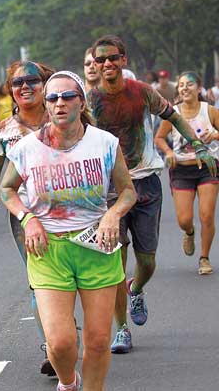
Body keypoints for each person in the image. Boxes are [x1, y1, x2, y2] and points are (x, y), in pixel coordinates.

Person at [0, 70, 136, 391]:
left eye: (67, 96)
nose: (59, 103)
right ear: (46, 105)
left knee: (99, 341)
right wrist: (27, 219)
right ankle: (68, 382)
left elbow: (127, 191)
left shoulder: (104, 143)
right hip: (50, 251)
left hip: (96, 247)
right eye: (52, 98)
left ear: (81, 101)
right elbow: (7, 189)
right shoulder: (27, 148)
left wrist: (113, 214)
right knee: (60, 344)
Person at [89, 35, 216, 354]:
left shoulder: (142, 92)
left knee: (147, 262)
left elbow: (173, 117)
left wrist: (199, 145)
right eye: (100, 59)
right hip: (109, 192)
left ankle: (137, 289)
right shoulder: (89, 101)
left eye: (113, 58)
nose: (107, 64)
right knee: (114, 263)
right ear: (95, 64)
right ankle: (121, 329)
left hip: (145, 184)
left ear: (123, 60)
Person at [0, 60, 60, 376]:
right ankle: (54, 347)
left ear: (45, 85)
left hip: (72, 209)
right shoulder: (4, 129)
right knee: (40, 282)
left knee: (72, 278)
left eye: (31, 81)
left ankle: (67, 331)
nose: (24, 87)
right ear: (10, 91)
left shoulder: (63, 115)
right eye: (17, 83)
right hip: (24, 214)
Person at [154, 71, 219, 275]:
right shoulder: (173, 113)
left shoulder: (210, 111)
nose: (184, 88)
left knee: (207, 215)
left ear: (199, 88)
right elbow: (160, 138)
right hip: (181, 169)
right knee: (184, 219)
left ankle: (204, 257)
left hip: (208, 168)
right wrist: (168, 151)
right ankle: (189, 232)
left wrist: (216, 133)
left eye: (189, 84)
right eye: (181, 85)